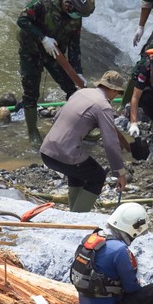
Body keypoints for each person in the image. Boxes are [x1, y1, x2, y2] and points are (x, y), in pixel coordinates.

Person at [39, 71, 130, 212]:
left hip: (46, 151)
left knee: (77, 173)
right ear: (113, 90)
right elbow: (110, 143)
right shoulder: (103, 105)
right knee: (98, 176)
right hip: (64, 156)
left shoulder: (81, 93)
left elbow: (57, 116)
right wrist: (120, 173)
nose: (116, 96)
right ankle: (78, 217)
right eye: (117, 93)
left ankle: (73, 213)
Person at [17, 0, 96, 145]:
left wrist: (78, 72)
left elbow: (75, 45)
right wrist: (43, 38)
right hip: (31, 51)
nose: (77, 17)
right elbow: (22, 20)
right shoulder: (43, 1)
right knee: (31, 93)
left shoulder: (76, 17)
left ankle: (81, 129)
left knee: (72, 90)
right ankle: (33, 132)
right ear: (68, 4)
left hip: (55, 55)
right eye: (77, 13)